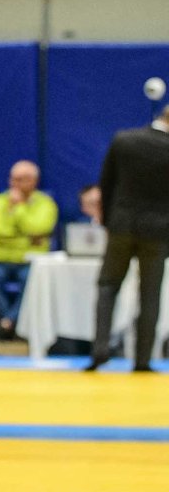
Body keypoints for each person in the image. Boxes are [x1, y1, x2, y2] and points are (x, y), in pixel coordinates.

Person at [85, 106, 169, 373]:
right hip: (157, 231)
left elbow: (106, 184)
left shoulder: (124, 139)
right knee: (150, 295)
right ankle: (142, 360)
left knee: (107, 287)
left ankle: (99, 350)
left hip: (122, 225)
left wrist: (110, 222)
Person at [0, 160, 57, 339]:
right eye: (12, 179)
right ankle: (10, 321)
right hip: (0, 259)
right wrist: (28, 235)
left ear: (33, 181)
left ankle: (6, 323)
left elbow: (40, 228)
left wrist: (18, 209)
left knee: (34, 283)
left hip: (31, 261)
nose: (14, 184)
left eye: (20, 179)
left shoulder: (46, 203)